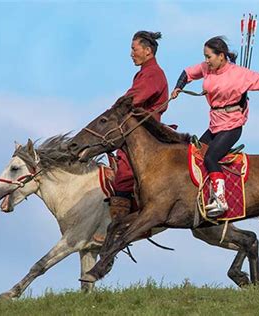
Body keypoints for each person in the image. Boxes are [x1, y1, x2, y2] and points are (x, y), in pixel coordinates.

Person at [171, 36, 259, 218]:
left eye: (209, 56)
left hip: (232, 126)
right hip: (215, 124)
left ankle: (220, 200)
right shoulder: (207, 68)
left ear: (221, 56)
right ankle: (203, 195)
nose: (206, 61)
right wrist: (178, 87)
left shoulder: (239, 74)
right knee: (195, 154)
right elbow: (187, 73)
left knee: (211, 158)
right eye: (205, 56)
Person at [93, 31, 169, 244]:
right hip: (136, 134)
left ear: (148, 50)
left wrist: (113, 112)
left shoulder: (152, 73)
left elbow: (133, 100)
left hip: (143, 136)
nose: (131, 54)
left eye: (134, 49)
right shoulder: (147, 72)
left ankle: (118, 232)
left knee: (123, 178)